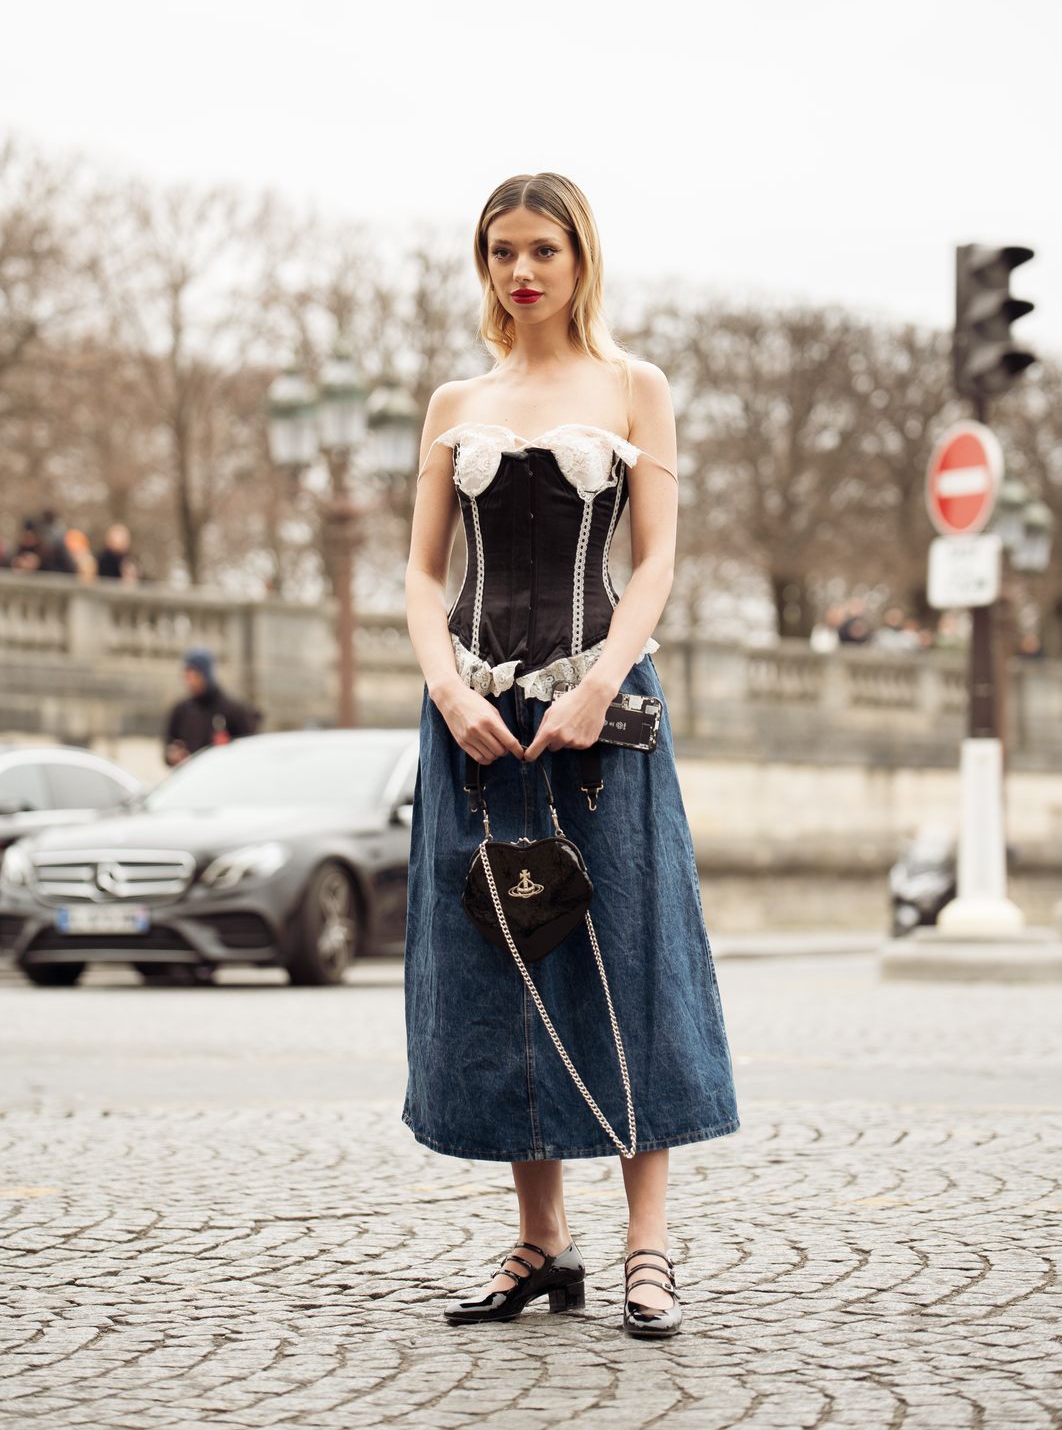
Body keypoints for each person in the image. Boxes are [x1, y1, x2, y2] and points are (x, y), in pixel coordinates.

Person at [402, 172, 740, 1339]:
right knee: (503, 953)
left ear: (580, 257)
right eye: (499, 251)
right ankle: (542, 1242)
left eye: (541, 248)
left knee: (632, 948)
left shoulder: (636, 386)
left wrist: (601, 683)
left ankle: (649, 1248)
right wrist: (447, 687)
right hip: (478, 721)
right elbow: (419, 575)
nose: (519, 270)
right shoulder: (457, 397)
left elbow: (652, 563)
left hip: (603, 719)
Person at [163, 646, 257, 766]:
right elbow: (168, 745)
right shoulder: (180, 711)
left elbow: (249, 750)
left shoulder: (234, 710)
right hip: (190, 778)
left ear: (207, 676)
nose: (190, 683)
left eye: (195, 677)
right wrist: (173, 755)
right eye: (187, 677)